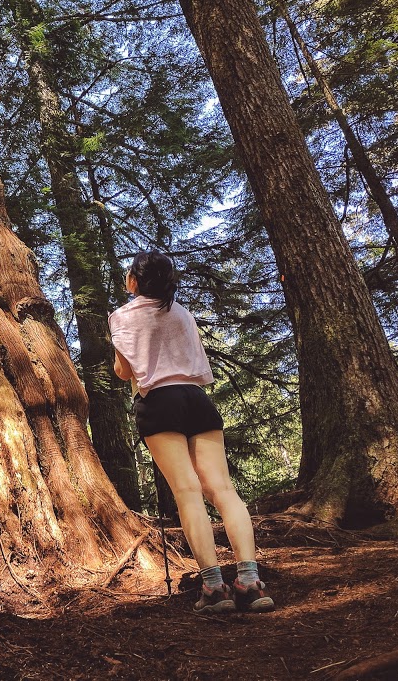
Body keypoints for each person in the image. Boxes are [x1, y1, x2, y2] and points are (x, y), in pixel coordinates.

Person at [108, 251, 274, 614]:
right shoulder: (182, 313)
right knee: (224, 491)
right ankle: (250, 581)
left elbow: (124, 371)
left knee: (188, 491)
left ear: (135, 281)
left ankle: (214, 588)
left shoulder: (121, 316)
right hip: (197, 399)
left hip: (158, 401)